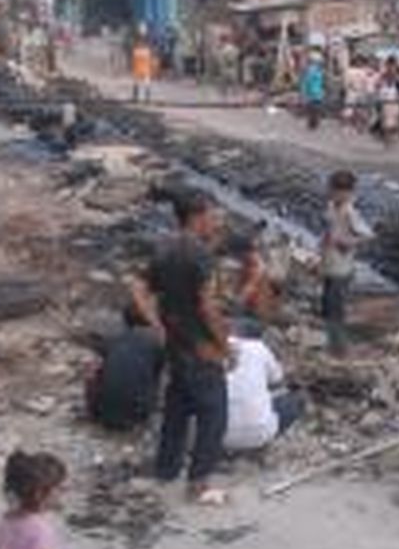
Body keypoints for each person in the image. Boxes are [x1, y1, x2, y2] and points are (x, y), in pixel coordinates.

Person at [131, 191, 232, 505]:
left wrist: (157, 324)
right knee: (214, 413)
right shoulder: (200, 255)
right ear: (197, 216)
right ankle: (199, 484)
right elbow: (207, 306)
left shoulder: (163, 249)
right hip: (201, 346)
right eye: (211, 215)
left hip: (176, 343)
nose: (214, 221)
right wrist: (224, 343)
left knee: (177, 406)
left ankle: (166, 470)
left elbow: (138, 289)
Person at [223, 325, 304, 453]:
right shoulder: (259, 348)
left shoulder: (216, 347)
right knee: (297, 399)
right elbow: (278, 380)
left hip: (222, 436)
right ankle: (259, 446)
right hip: (260, 434)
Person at [85, 307, 165, 432]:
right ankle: (138, 410)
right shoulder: (156, 345)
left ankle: (98, 409)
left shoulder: (113, 340)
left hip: (102, 413)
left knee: (95, 368)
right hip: (137, 414)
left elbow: (97, 352)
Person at [321, 171, 374, 357]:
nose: (331, 194)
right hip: (329, 265)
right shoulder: (331, 207)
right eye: (331, 190)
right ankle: (330, 345)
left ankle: (339, 351)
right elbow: (328, 231)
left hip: (342, 269)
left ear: (346, 193)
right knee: (327, 307)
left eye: (335, 191)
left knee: (336, 311)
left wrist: (348, 242)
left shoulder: (350, 212)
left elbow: (368, 235)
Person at [301, 50, 326, 131]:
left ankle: (313, 124)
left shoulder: (317, 70)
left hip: (316, 92)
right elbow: (306, 82)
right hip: (314, 93)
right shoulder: (313, 70)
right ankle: (313, 124)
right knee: (314, 109)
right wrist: (304, 93)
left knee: (314, 109)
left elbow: (305, 82)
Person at [131, 25, 154, 103]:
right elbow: (134, 52)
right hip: (139, 64)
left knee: (145, 82)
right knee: (137, 81)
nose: (142, 33)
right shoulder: (136, 42)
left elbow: (150, 52)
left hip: (144, 65)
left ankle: (145, 99)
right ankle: (136, 98)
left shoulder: (147, 42)